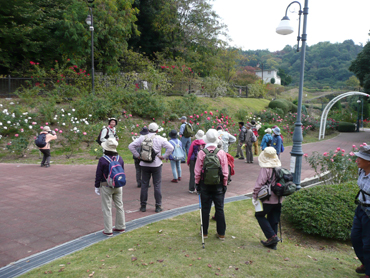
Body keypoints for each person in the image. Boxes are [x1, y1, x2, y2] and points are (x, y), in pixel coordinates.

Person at [129, 122, 174, 213]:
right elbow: (171, 147)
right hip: (156, 164)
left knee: (144, 185)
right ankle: (158, 206)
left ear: (148, 129)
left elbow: (131, 146)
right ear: (157, 130)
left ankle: (143, 206)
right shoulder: (160, 138)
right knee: (157, 185)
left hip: (144, 164)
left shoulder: (142, 138)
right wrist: (164, 156)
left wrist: (138, 155)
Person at [195, 129, 229, 241]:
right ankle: (221, 234)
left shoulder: (201, 152)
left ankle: (204, 233)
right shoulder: (221, 153)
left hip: (205, 184)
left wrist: (197, 183)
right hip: (218, 185)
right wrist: (224, 184)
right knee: (219, 208)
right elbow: (225, 172)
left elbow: (197, 171)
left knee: (205, 209)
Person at [94, 138, 126, 237]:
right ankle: (120, 226)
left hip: (106, 186)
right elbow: (122, 171)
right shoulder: (119, 158)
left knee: (107, 208)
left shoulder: (103, 160)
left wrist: (96, 186)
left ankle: (108, 230)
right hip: (118, 185)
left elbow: (98, 174)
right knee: (119, 206)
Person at [252, 147, 282, 250]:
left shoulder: (266, 169)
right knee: (273, 219)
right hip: (279, 199)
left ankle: (272, 237)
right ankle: (273, 244)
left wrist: (254, 196)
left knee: (259, 215)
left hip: (268, 198)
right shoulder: (279, 168)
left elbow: (259, 183)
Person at [351, 145, 370, 278]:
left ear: (368, 161)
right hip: (361, 209)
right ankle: (366, 263)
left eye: (360, 158)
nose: (357, 160)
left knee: (368, 243)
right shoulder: (362, 171)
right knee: (355, 237)